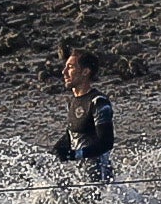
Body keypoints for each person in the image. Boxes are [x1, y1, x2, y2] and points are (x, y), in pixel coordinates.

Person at [50, 48, 116, 178]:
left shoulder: (98, 102)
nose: (64, 72)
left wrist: (76, 154)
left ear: (86, 72)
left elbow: (106, 143)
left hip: (100, 176)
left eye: (70, 67)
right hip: (81, 174)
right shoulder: (73, 102)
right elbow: (72, 135)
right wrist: (46, 158)